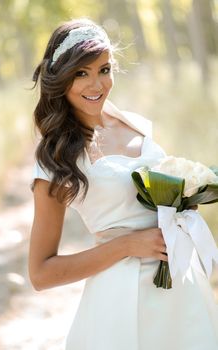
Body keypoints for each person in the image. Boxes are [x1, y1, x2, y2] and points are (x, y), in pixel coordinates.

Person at [29, 18, 218, 350]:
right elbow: (41, 273)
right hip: (123, 299)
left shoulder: (135, 124)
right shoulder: (56, 159)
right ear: (61, 78)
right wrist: (127, 246)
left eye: (104, 69)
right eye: (81, 73)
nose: (96, 85)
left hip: (181, 288)